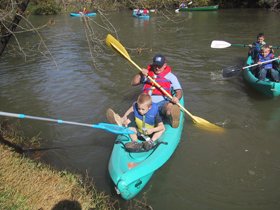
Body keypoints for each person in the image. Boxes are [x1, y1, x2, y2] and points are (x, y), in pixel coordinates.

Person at [130, 54, 182, 128]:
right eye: (155, 66)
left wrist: (177, 98)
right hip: (146, 102)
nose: (157, 68)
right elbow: (133, 83)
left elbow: (179, 91)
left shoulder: (171, 76)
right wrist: (140, 74)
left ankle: (171, 114)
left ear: (165, 65)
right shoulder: (146, 74)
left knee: (167, 107)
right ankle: (122, 120)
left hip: (162, 102)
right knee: (135, 106)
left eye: (159, 66)